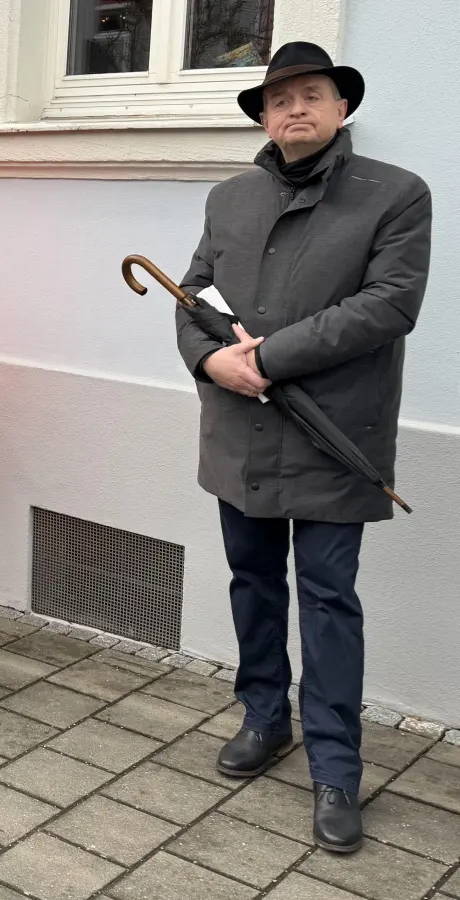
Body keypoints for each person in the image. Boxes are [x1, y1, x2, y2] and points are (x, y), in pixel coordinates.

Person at [176, 42, 430, 854]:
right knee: (252, 581)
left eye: (311, 94)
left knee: (327, 602)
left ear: (340, 106)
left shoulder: (396, 195)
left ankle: (335, 767)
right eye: (279, 98)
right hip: (240, 434)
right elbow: (193, 297)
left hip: (332, 437)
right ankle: (262, 717)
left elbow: (389, 305)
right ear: (261, 115)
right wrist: (211, 359)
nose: (295, 109)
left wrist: (265, 360)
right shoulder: (229, 198)